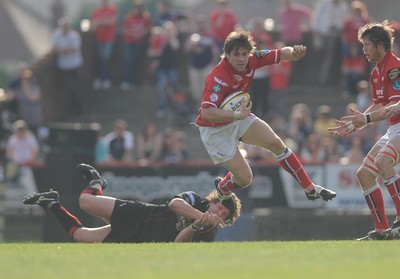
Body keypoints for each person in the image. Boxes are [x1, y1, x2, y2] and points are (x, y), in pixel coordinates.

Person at [195, 30, 336, 203]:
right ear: (226, 55)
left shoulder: (253, 58)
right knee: (246, 178)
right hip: (215, 130)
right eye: (236, 55)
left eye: (244, 54)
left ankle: (309, 188)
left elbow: (282, 54)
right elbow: (206, 113)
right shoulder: (216, 77)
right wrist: (237, 115)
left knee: (276, 143)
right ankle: (224, 187)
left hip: (238, 115)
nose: (241, 59)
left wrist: (294, 52)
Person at [22, 163, 241, 243]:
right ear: (212, 201)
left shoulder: (208, 233)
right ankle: (97, 181)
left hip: (138, 237)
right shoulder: (197, 201)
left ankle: (52, 203)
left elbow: (178, 244)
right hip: (140, 215)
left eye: (223, 215)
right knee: (86, 201)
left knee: (81, 236)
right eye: (220, 207)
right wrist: (198, 216)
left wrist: (196, 226)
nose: (218, 212)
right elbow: (174, 204)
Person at [328, 21, 400, 240]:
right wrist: (355, 123)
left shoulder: (394, 68)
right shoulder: (377, 70)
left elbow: (396, 106)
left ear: (380, 45)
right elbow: (379, 105)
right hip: (394, 128)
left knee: (384, 161)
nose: (363, 50)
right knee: (364, 174)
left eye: (367, 45)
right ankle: (382, 231)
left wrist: (366, 118)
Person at [51, 17, 83, 114]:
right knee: (68, 87)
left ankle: (78, 106)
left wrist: (63, 50)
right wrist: (67, 49)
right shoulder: (56, 35)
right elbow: (54, 49)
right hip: (63, 65)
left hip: (74, 64)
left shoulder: (74, 36)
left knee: (76, 86)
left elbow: (76, 48)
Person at [120, 0, 152, 90]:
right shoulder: (129, 17)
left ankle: (135, 81)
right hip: (129, 42)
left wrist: (141, 34)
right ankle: (127, 81)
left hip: (140, 43)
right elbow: (125, 29)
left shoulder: (145, 18)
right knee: (128, 61)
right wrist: (134, 34)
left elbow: (149, 27)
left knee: (137, 62)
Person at [90, 0, 118, 90]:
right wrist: (103, 21)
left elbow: (111, 22)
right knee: (100, 59)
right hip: (99, 38)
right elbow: (93, 25)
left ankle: (105, 79)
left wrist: (100, 22)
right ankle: (100, 79)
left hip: (109, 38)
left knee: (105, 58)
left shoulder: (112, 10)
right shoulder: (96, 11)